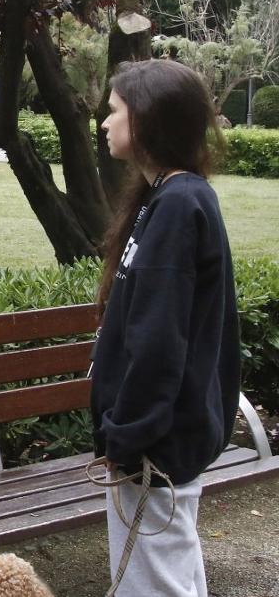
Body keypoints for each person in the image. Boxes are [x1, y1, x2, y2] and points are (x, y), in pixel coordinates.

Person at [91, 59, 240, 597]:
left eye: (114, 111)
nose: (105, 123)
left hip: (155, 446)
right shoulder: (172, 198)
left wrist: (128, 438)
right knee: (168, 572)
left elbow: (158, 341)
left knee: (151, 585)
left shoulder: (179, 204)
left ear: (148, 118)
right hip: (158, 439)